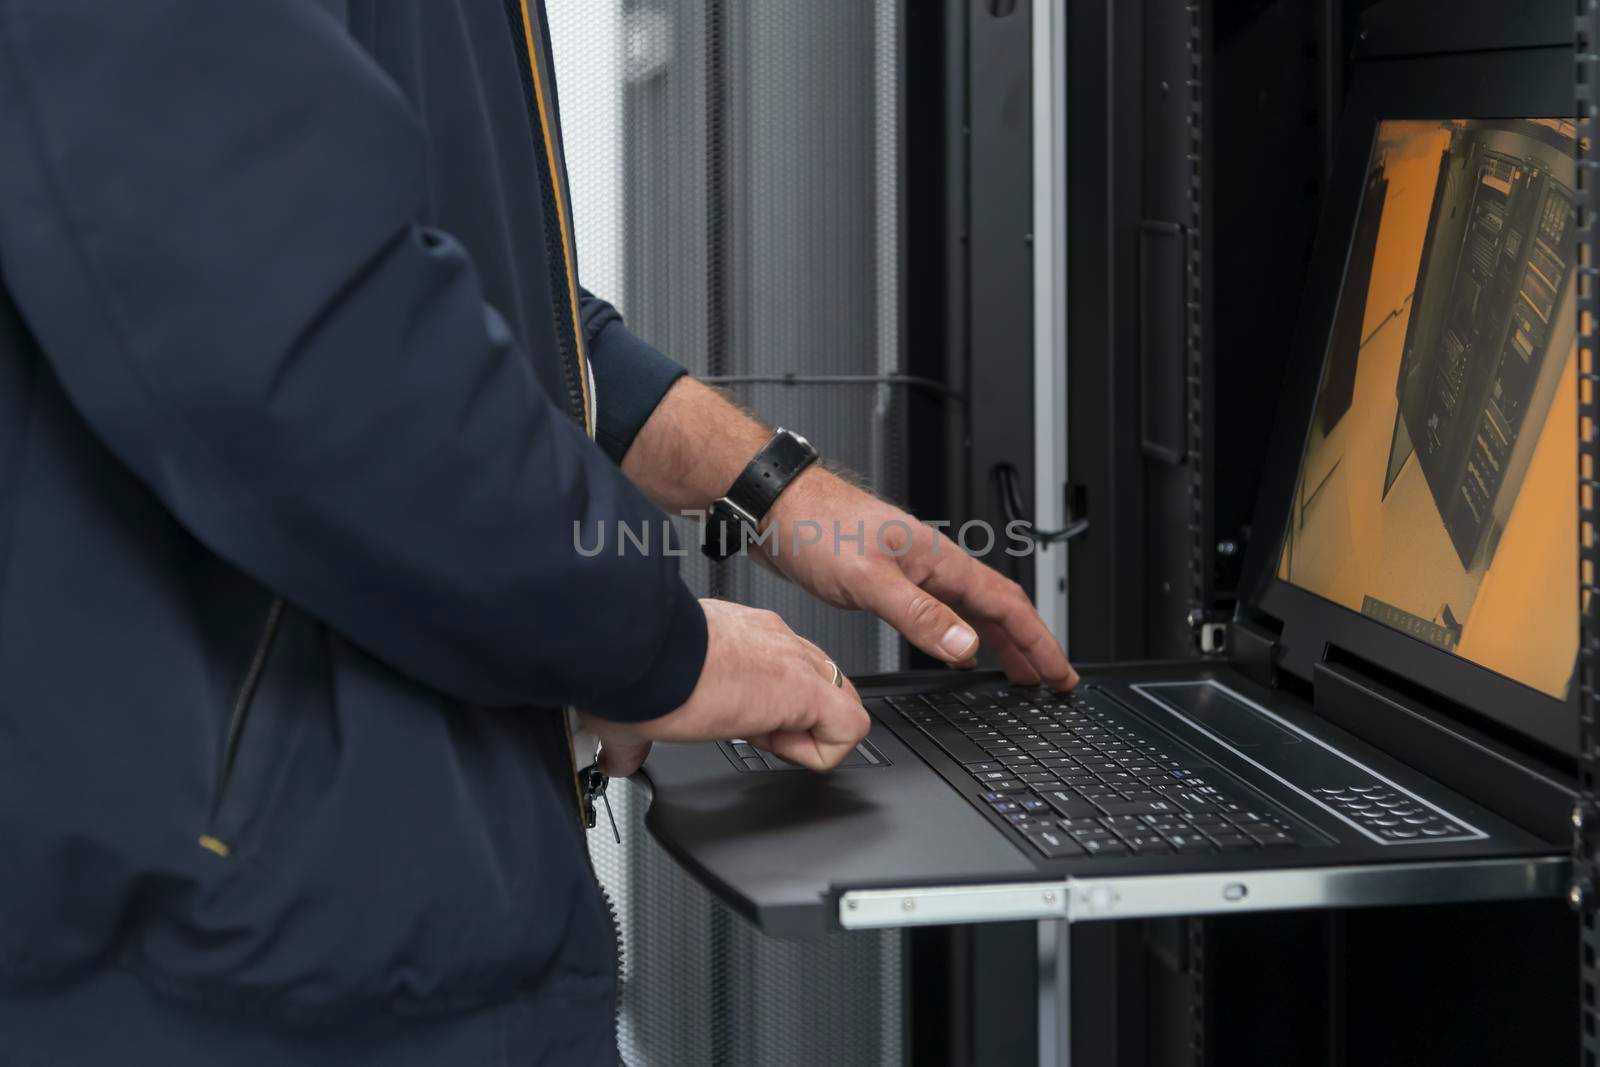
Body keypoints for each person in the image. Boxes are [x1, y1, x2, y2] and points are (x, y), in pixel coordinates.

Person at [0, 1, 1077, 1063]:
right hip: (236, 947)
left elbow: (464, 286)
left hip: (341, 899)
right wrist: (657, 645)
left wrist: (773, 488)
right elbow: (293, 330)